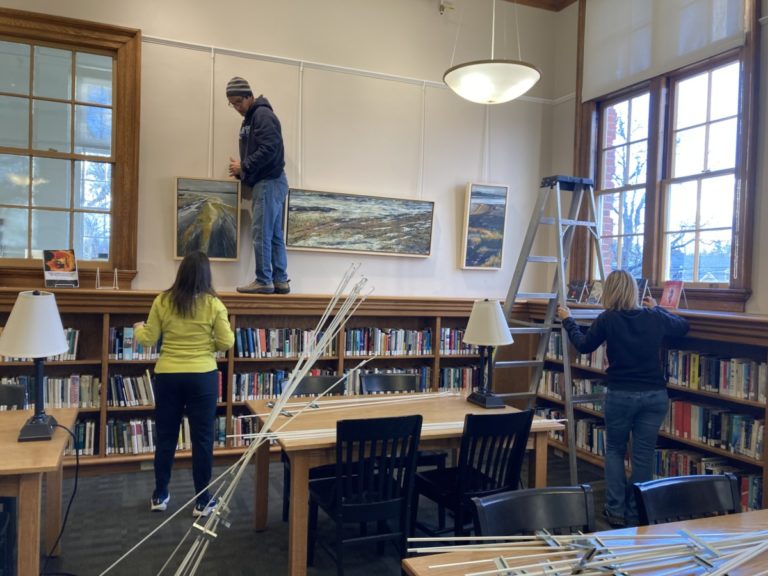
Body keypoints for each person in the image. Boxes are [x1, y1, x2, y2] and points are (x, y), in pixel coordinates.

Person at [556, 269, 689, 527]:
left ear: (609, 292)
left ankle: (615, 510)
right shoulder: (654, 318)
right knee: (643, 456)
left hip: (621, 394)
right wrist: (659, 309)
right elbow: (683, 327)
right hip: (654, 396)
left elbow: (583, 345)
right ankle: (637, 511)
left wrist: (568, 320)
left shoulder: (608, 319)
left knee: (615, 451)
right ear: (635, 291)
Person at [134, 251, 235, 517]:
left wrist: (136, 328)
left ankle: (160, 495)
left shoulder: (162, 301)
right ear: (206, 274)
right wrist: (206, 346)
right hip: (202, 376)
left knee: (166, 437)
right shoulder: (214, 305)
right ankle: (202, 502)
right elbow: (226, 343)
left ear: (181, 273)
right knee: (203, 439)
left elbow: (148, 339)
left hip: (168, 376)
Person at [226, 76, 290, 295]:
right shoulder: (254, 117)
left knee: (261, 232)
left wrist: (243, 166)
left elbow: (270, 148)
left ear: (249, 96)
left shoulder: (262, 115)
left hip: (269, 181)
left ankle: (264, 279)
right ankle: (280, 279)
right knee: (272, 235)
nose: (236, 108)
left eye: (238, 102)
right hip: (273, 181)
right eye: (232, 104)